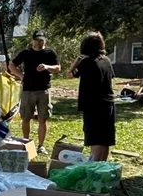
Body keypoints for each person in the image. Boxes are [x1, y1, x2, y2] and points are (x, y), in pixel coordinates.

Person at [9, 30, 60, 155]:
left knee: (43, 118)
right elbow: (12, 66)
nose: (39, 42)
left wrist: (47, 67)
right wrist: (21, 76)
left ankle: (41, 145)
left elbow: (58, 68)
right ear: (32, 41)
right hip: (28, 90)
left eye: (42, 40)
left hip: (44, 90)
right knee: (26, 117)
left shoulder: (50, 53)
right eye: (37, 40)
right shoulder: (26, 53)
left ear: (45, 41)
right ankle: (26, 142)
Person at [69, 31, 115, 162]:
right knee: (105, 138)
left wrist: (77, 60)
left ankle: (93, 167)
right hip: (108, 103)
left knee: (94, 138)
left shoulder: (86, 62)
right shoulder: (107, 61)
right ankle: (102, 167)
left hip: (92, 105)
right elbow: (110, 78)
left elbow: (69, 74)